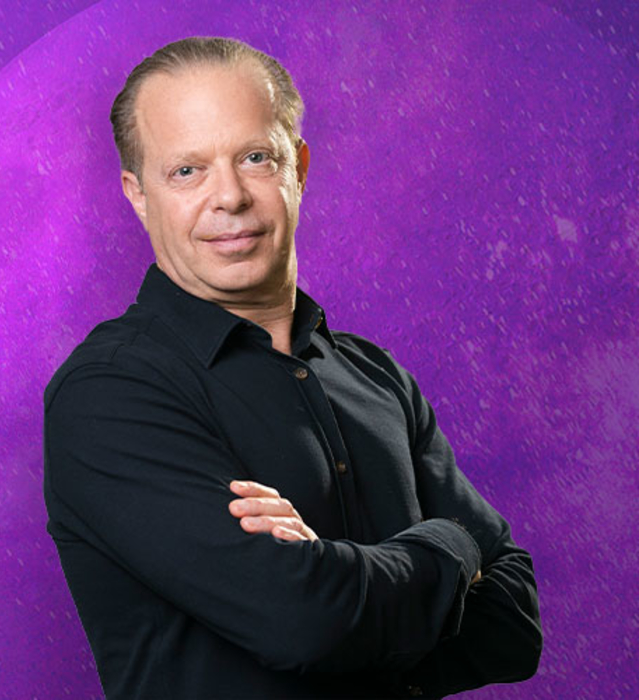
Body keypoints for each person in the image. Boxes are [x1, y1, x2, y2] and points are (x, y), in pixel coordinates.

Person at [42, 36, 543, 699]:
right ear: (138, 194)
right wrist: (452, 543)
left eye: (256, 158)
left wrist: (340, 586)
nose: (229, 197)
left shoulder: (376, 377)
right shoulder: (110, 394)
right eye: (187, 171)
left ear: (298, 167)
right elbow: (304, 623)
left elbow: (515, 626)